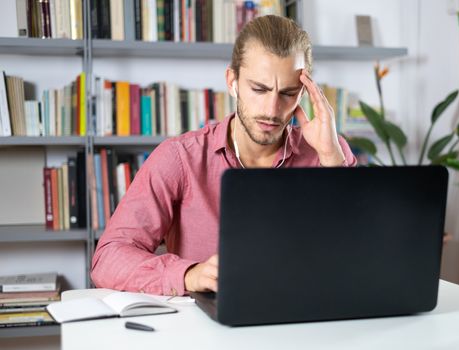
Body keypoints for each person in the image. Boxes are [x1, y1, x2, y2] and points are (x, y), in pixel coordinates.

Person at [90, 15, 357, 296]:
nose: (272, 109)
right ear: (233, 81)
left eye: (288, 93)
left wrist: (332, 161)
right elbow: (108, 258)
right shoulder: (180, 158)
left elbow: (366, 252)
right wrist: (188, 275)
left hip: (308, 319)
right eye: (259, 89)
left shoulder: (327, 153)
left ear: (304, 92)